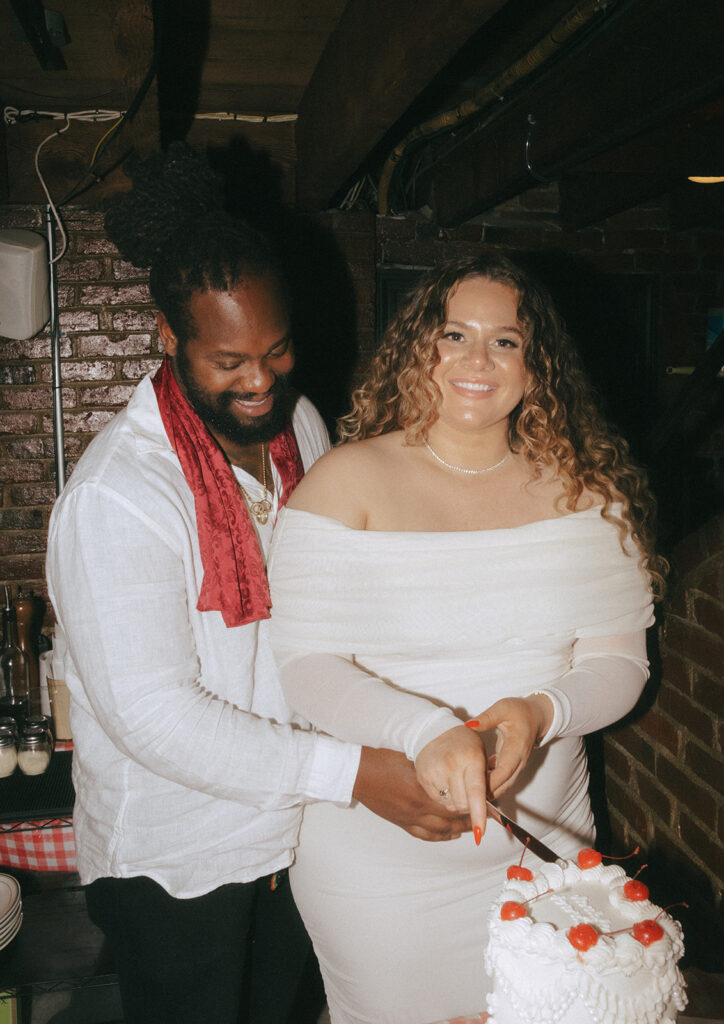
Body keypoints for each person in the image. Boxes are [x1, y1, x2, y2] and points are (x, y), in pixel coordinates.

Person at [44, 144, 470, 1024]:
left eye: (276, 352)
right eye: (228, 360)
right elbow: (157, 718)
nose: (259, 382)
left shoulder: (300, 424)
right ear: (168, 340)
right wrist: (355, 774)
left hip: (296, 832)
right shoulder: (118, 498)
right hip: (179, 858)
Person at [267, 253, 667, 1024]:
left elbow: (619, 664)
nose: (476, 360)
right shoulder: (342, 485)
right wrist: (423, 728)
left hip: (545, 857)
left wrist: (539, 711)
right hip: (379, 871)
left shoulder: (587, 494)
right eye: (454, 334)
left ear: (536, 365)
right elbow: (306, 663)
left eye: (506, 341)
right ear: (419, 348)